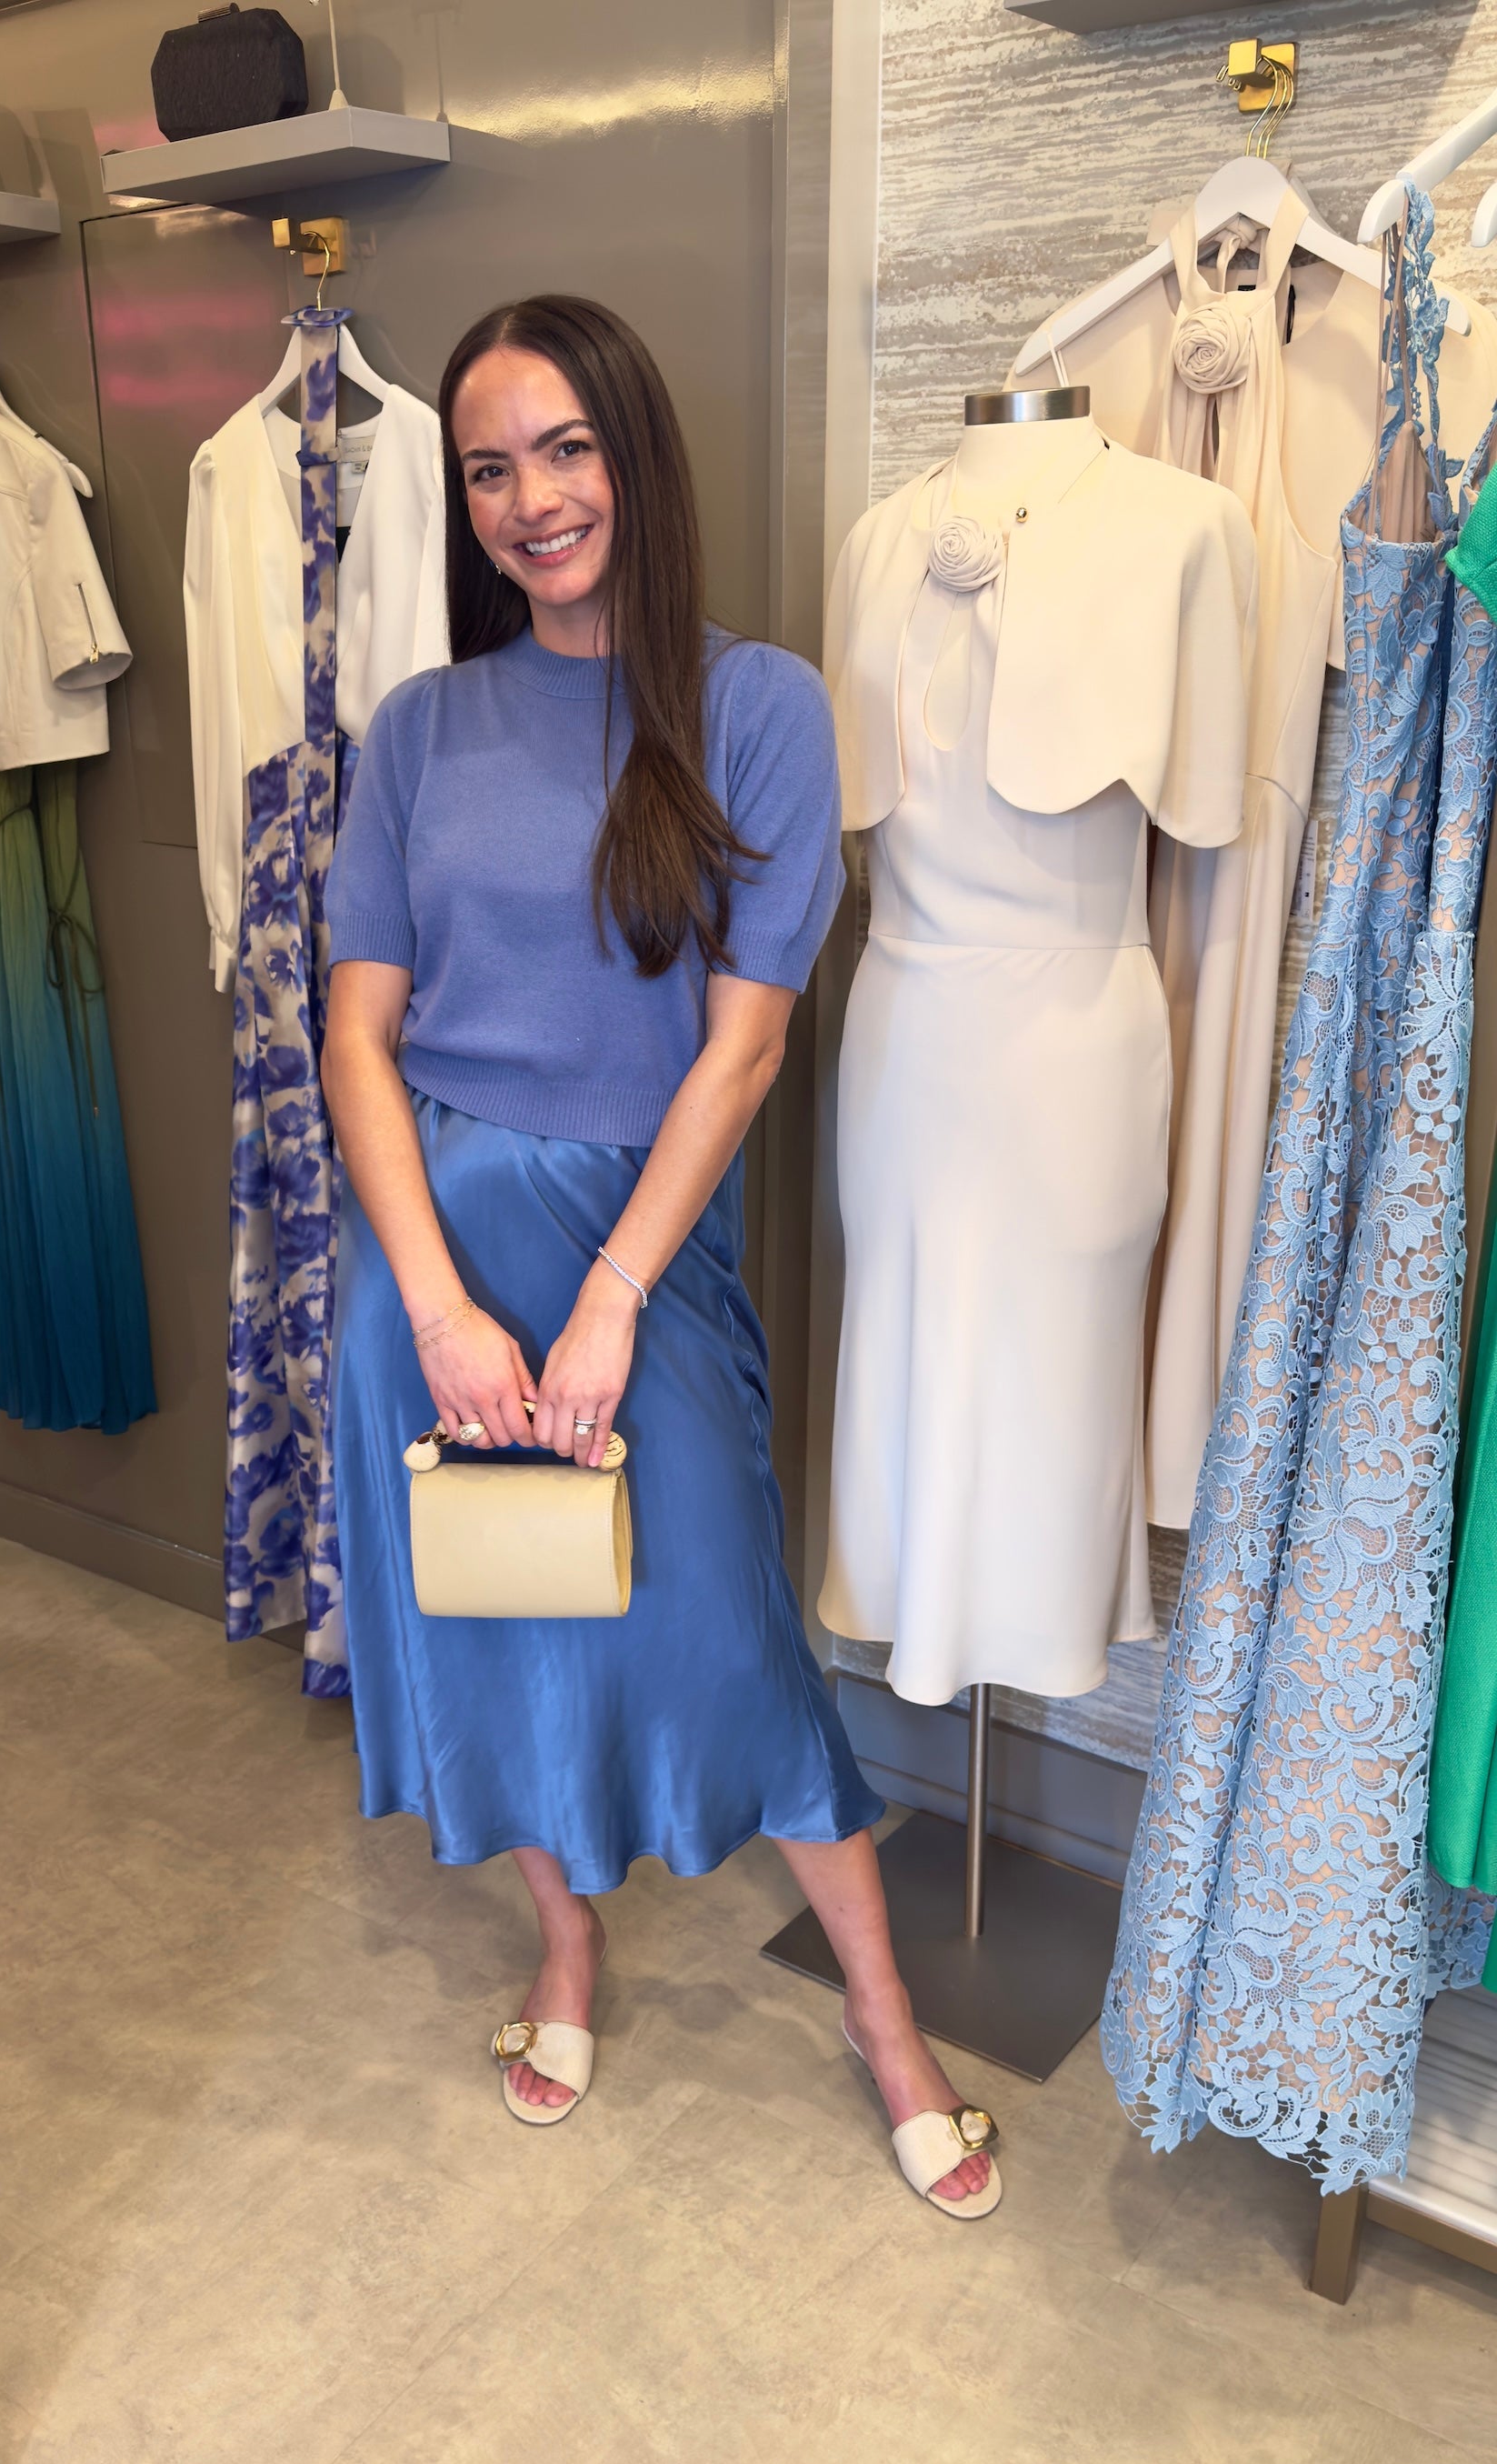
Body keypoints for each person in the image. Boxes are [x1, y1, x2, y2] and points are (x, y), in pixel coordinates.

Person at [321, 295, 1000, 2217]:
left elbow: (744, 1044)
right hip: (429, 1260)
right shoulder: (420, 729)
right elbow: (357, 1035)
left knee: (729, 1638)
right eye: (488, 468)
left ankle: (879, 2017)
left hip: (637, 1251)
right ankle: (566, 1946)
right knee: (489, 1618)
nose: (529, 499)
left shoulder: (757, 707)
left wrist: (612, 1294)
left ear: (633, 453)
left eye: (563, 449)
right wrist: (437, 1308)